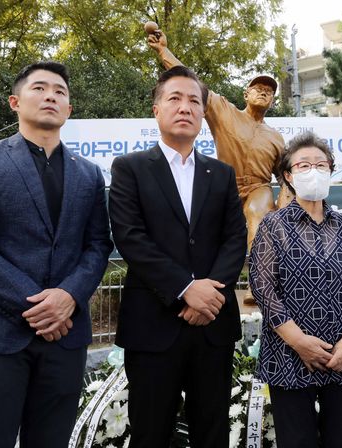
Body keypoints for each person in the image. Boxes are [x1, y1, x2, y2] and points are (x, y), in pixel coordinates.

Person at [0, 61, 113, 447]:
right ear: (15, 102)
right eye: (39, 88)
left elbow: (97, 246)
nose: (50, 96)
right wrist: (42, 306)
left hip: (65, 337)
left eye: (59, 91)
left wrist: (68, 296)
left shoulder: (89, 173)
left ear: (69, 109)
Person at [109, 65, 247, 448]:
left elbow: (235, 238)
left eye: (194, 101)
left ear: (203, 113)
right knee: (151, 433)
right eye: (175, 98)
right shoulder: (130, 168)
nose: (185, 107)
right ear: (156, 109)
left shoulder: (221, 174)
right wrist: (186, 289)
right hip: (153, 325)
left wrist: (209, 295)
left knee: (212, 432)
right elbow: (130, 238)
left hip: (212, 326)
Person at [147, 27, 289, 303]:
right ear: (245, 94)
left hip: (258, 188)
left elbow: (285, 175)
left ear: (272, 101)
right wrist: (164, 51)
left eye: (269, 92)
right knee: (202, 231)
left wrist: (284, 201)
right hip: (223, 186)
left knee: (259, 216)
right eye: (258, 89)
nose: (263, 93)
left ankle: (259, 287)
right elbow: (193, 84)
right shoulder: (225, 111)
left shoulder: (275, 137)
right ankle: (198, 287)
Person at [250, 131, 342, 448]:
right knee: (296, 441)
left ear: (331, 170)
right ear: (288, 176)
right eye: (303, 165)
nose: (313, 171)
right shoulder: (273, 225)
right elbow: (263, 287)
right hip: (290, 355)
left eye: (321, 164)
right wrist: (299, 341)